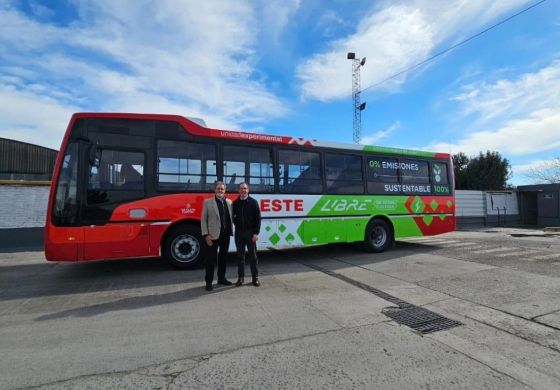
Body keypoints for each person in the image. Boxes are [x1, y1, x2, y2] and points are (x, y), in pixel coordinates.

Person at [201, 181, 233, 291]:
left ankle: (221, 278)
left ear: (225, 191)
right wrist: (206, 235)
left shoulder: (229, 202)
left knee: (223, 258)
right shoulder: (208, 202)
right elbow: (203, 220)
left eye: (222, 189)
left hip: (226, 235)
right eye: (218, 189)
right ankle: (209, 282)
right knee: (210, 260)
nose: (220, 191)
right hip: (212, 236)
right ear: (215, 190)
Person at [232, 182, 261, 287]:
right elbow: (233, 217)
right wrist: (237, 224)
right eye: (241, 188)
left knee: (253, 256)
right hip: (239, 233)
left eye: (245, 188)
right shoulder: (235, 203)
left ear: (248, 190)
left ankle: (255, 278)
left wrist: (256, 233)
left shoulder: (253, 202)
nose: (243, 190)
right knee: (240, 257)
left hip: (250, 233)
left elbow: (258, 219)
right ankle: (240, 278)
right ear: (239, 190)